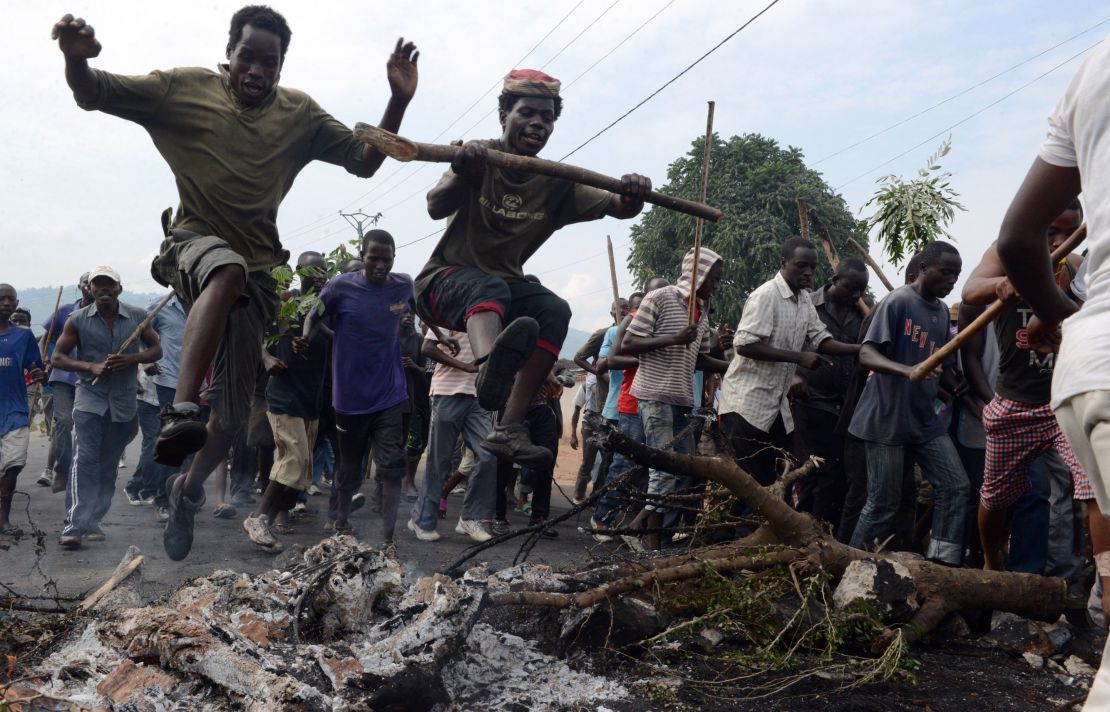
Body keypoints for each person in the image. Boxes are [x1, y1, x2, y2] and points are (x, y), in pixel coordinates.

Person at [53, 6, 419, 560]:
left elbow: (364, 161)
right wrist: (75, 60)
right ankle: (180, 412)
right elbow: (93, 92)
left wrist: (398, 100)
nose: (256, 70)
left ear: (280, 66)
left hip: (260, 272)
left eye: (269, 62)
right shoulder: (183, 88)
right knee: (223, 271)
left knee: (227, 418)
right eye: (247, 56)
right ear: (230, 52)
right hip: (192, 245)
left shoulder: (298, 112)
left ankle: (187, 488)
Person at [415, 68, 651, 468]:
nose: (538, 123)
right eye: (527, 113)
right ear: (504, 114)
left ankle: (507, 427)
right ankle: (492, 367)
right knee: (491, 288)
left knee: (554, 310)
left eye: (548, 117)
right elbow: (435, 206)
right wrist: (462, 172)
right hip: (443, 283)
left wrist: (633, 194)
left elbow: (618, 208)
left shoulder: (555, 182)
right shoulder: (477, 155)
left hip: (502, 289)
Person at [994, 43, 1110, 651]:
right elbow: (1005, 255)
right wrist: (1056, 309)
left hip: (1085, 371)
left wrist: (1064, 316)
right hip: (1035, 391)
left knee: (1075, 501)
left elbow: (1020, 235)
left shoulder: (1092, 68)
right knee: (1003, 494)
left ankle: (1089, 597)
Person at [963, 203, 1093, 576]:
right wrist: (1000, 284)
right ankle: (993, 560)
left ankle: (1095, 576)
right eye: (1051, 231)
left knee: (1093, 484)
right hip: (1016, 402)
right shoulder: (1007, 253)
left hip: (1065, 399)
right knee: (995, 495)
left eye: (1068, 234)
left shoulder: (1076, 269)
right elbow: (972, 290)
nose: (1058, 242)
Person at [847, 242, 969, 566]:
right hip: (885, 419)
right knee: (883, 502)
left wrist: (958, 387)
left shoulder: (942, 312)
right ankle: (850, 568)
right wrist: (906, 370)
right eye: (946, 273)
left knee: (955, 487)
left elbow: (938, 367)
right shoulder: (898, 301)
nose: (952, 281)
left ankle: (941, 566)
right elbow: (866, 352)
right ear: (925, 267)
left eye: (956, 275)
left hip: (923, 421)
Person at [719, 238, 863, 487]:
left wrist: (860, 349)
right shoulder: (765, 296)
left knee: (772, 484)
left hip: (776, 407)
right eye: (801, 265)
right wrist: (798, 357)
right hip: (747, 406)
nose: (808, 273)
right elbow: (744, 344)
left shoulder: (804, 300)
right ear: (783, 263)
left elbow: (820, 339)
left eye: (813, 267)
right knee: (748, 488)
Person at [302, 231, 412, 543]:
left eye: (386, 259)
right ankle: (339, 523)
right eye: (373, 258)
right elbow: (314, 316)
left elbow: (421, 309)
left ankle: (388, 538)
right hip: (349, 397)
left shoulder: (403, 285)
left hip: (390, 392)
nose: (380, 264)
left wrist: (439, 333)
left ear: (394, 258)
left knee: (392, 464)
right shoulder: (341, 286)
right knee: (349, 468)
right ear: (363, 257)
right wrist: (305, 338)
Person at [620, 248, 731, 550]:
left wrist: (733, 366)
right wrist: (673, 338)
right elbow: (629, 343)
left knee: (684, 471)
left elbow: (701, 359)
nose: (716, 286)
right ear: (699, 275)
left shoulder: (703, 309)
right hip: (654, 395)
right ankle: (650, 543)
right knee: (662, 473)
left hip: (683, 399)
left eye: (719, 281)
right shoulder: (659, 298)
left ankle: (641, 530)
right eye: (713, 279)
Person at [51, 266, 161, 549]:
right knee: (84, 459)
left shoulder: (137, 316)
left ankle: (93, 520)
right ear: (89, 290)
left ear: (118, 289)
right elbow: (58, 358)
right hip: (89, 399)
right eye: (97, 286)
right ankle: (74, 523)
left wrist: (132, 359)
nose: (103, 290)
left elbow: (156, 350)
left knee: (108, 465)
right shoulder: (76, 320)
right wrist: (91, 366)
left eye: (108, 285)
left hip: (123, 403)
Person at [240, 252, 329, 551]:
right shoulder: (284, 304)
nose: (319, 275)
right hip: (284, 394)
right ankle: (259, 518)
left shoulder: (327, 309)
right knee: (293, 459)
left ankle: (277, 516)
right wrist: (265, 358)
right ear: (299, 273)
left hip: (311, 397)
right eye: (312, 270)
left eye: (324, 270)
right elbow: (250, 333)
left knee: (301, 472)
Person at [409, 328, 496, 542]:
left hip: (478, 396)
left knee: (489, 455)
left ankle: (469, 518)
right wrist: (464, 366)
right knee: (440, 461)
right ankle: (423, 520)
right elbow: (427, 348)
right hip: (446, 393)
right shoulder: (449, 315)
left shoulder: (493, 320)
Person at [125, 294, 186, 522]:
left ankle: (176, 496)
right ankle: (161, 499)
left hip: (196, 382)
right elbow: (138, 333)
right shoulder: (161, 306)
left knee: (186, 444)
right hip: (163, 384)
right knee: (166, 441)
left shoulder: (206, 301)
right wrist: (147, 361)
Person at [39, 274, 92, 491]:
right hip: (62, 376)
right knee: (63, 423)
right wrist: (45, 358)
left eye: (93, 282)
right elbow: (46, 337)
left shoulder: (106, 313)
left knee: (87, 426)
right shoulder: (64, 312)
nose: (89, 286)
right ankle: (62, 470)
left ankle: (84, 472)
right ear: (80, 287)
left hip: (90, 378)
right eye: (86, 283)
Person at [0, 285, 45, 535]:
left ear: (16, 304)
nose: (6, 303)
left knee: (14, 464)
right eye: (1, 299)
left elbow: (37, 369)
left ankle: (3, 519)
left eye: (10, 300)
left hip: (15, 410)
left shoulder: (24, 336)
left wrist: (40, 373)